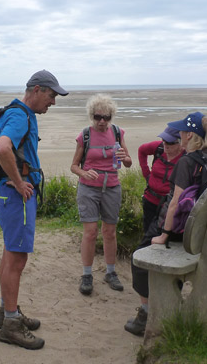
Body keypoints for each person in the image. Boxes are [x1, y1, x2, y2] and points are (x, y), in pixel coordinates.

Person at [125, 112, 207, 336]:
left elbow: (175, 203)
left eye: (182, 133)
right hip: (200, 229)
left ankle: (146, 315)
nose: (179, 136)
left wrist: (164, 234)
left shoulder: (186, 162)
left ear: (188, 136)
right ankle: (168, 304)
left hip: (179, 230)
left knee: (139, 259)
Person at [0, 69, 69, 350]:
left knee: (10, 255)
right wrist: (18, 182)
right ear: (36, 90)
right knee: (17, 260)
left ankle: (6, 312)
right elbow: (3, 148)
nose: (53, 101)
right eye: (51, 95)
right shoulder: (20, 115)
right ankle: (11, 324)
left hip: (10, 197)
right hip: (16, 198)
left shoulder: (22, 114)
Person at [70, 94, 132, 296]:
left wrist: (126, 157)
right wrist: (84, 172)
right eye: (98, 117)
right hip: (88, 189)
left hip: (112, 187)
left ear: (111, 117)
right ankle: (87, 275)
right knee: (90, 232)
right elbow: (73, 166)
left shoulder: (117, 132)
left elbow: (129, 162)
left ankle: (111, 272)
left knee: (110, 232)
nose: (102, 121)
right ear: (92, 116)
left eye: (106, 117)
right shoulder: (85, 135)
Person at [137, 126, 185, 233]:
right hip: (150, 200)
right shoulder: (158, 148)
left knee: (165, 236)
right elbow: (141, 150)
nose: (165, 145)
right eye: (164, 140)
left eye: (170, 143)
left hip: (169, 206)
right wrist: (146, 174)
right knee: (148, 235)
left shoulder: (186, 158)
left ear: (180, 143)